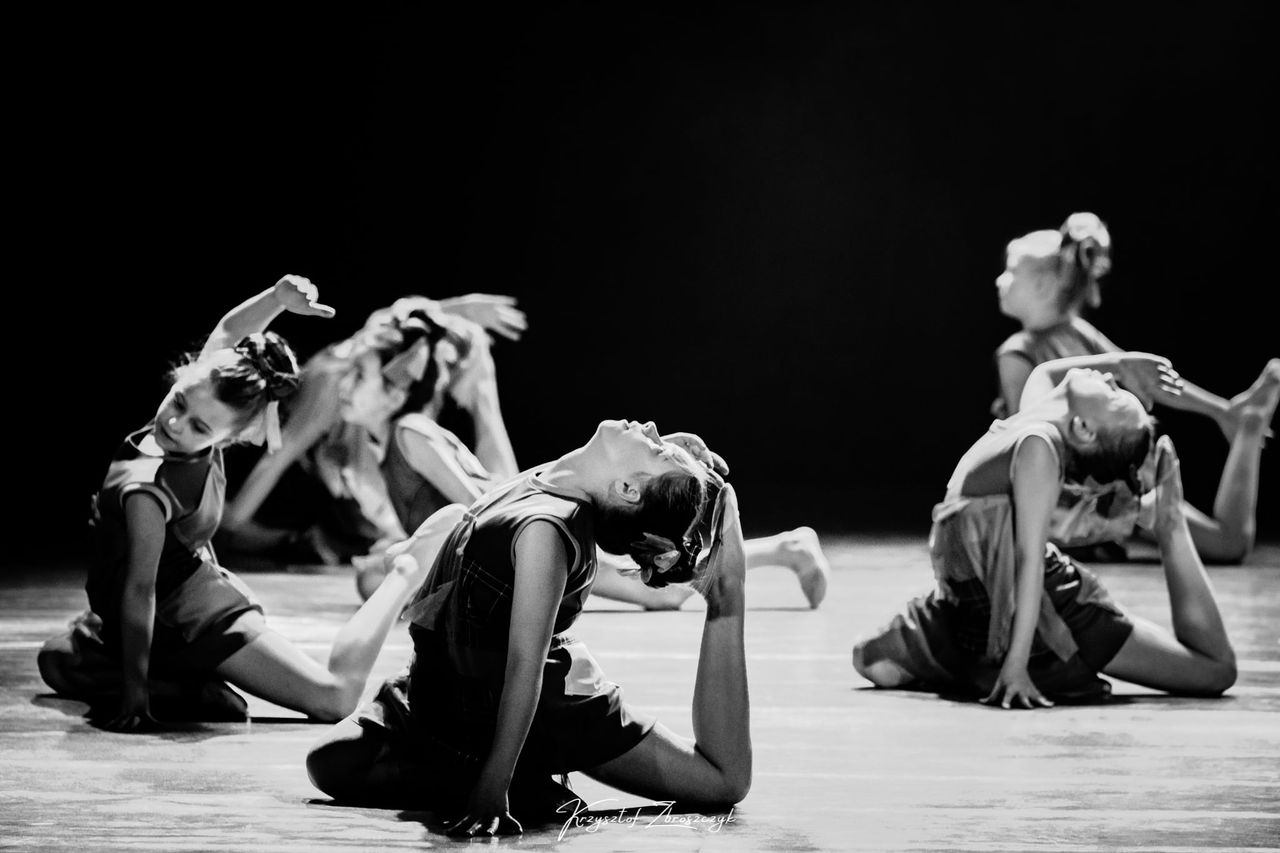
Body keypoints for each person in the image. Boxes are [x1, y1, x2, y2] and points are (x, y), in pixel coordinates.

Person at [37, 276, 463, 730]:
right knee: (55, 661)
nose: (176, 425)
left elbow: (141, 592)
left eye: (200, 428)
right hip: (143, 607)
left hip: (188, 617)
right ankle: (183, 682)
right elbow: (227, 333)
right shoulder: (201, 405)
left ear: (229, 438)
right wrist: (275, 299)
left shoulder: (147, 492)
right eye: (178, 402)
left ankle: (404, 571)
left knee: (333, 698)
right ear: (184, 378)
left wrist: (135, 693)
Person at [222, 299, 832, 608]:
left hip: (508, 525)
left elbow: (489, 502)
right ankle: (783, 548)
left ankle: (783, 547)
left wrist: (407, 554)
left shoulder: (408, 432)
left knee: (664, 592)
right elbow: (397, 327)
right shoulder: (364, 419)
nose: (349, 387)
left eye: (371, 378)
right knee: (373, 573)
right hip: (497, 529)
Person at [305, 420, 752, 835]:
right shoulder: (561, 477)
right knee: (329, 763)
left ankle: (725, 595)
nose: (652, 427)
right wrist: (671, 457)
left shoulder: (547, 530)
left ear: (627, 488)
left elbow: (525, 665)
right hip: (448, 683)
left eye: (653, 447)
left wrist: (493, 784)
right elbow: (619, 489)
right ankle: (486, 772)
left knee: (721, 781)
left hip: (532, 706)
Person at [852, 354, 1238, 708]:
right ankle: (976, 656)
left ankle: (1170, 527)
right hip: (971, 601)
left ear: (1083, 428)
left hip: (1052, 612)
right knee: (867, 658)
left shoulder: (1040, 446)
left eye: (1114, 394)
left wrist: (1017, 665)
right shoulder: (1036, 415)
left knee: (1215, 672)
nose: (1110, 380)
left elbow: (1029, 561)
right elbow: (1046, 372)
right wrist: (1124, 362)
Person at [992, 212, 1279, 563]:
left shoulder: (1017, 352)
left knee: (1227, 545)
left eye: (1011, 272)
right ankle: (1247, 427)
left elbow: (1024, 443)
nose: (1000, 280)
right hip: (1117, 473)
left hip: (1089, 491)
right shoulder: (1079, 333)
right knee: (1228, 541)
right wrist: (1220, 409)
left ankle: (1247, 428)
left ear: (1041, 285)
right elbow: (1149, 379)